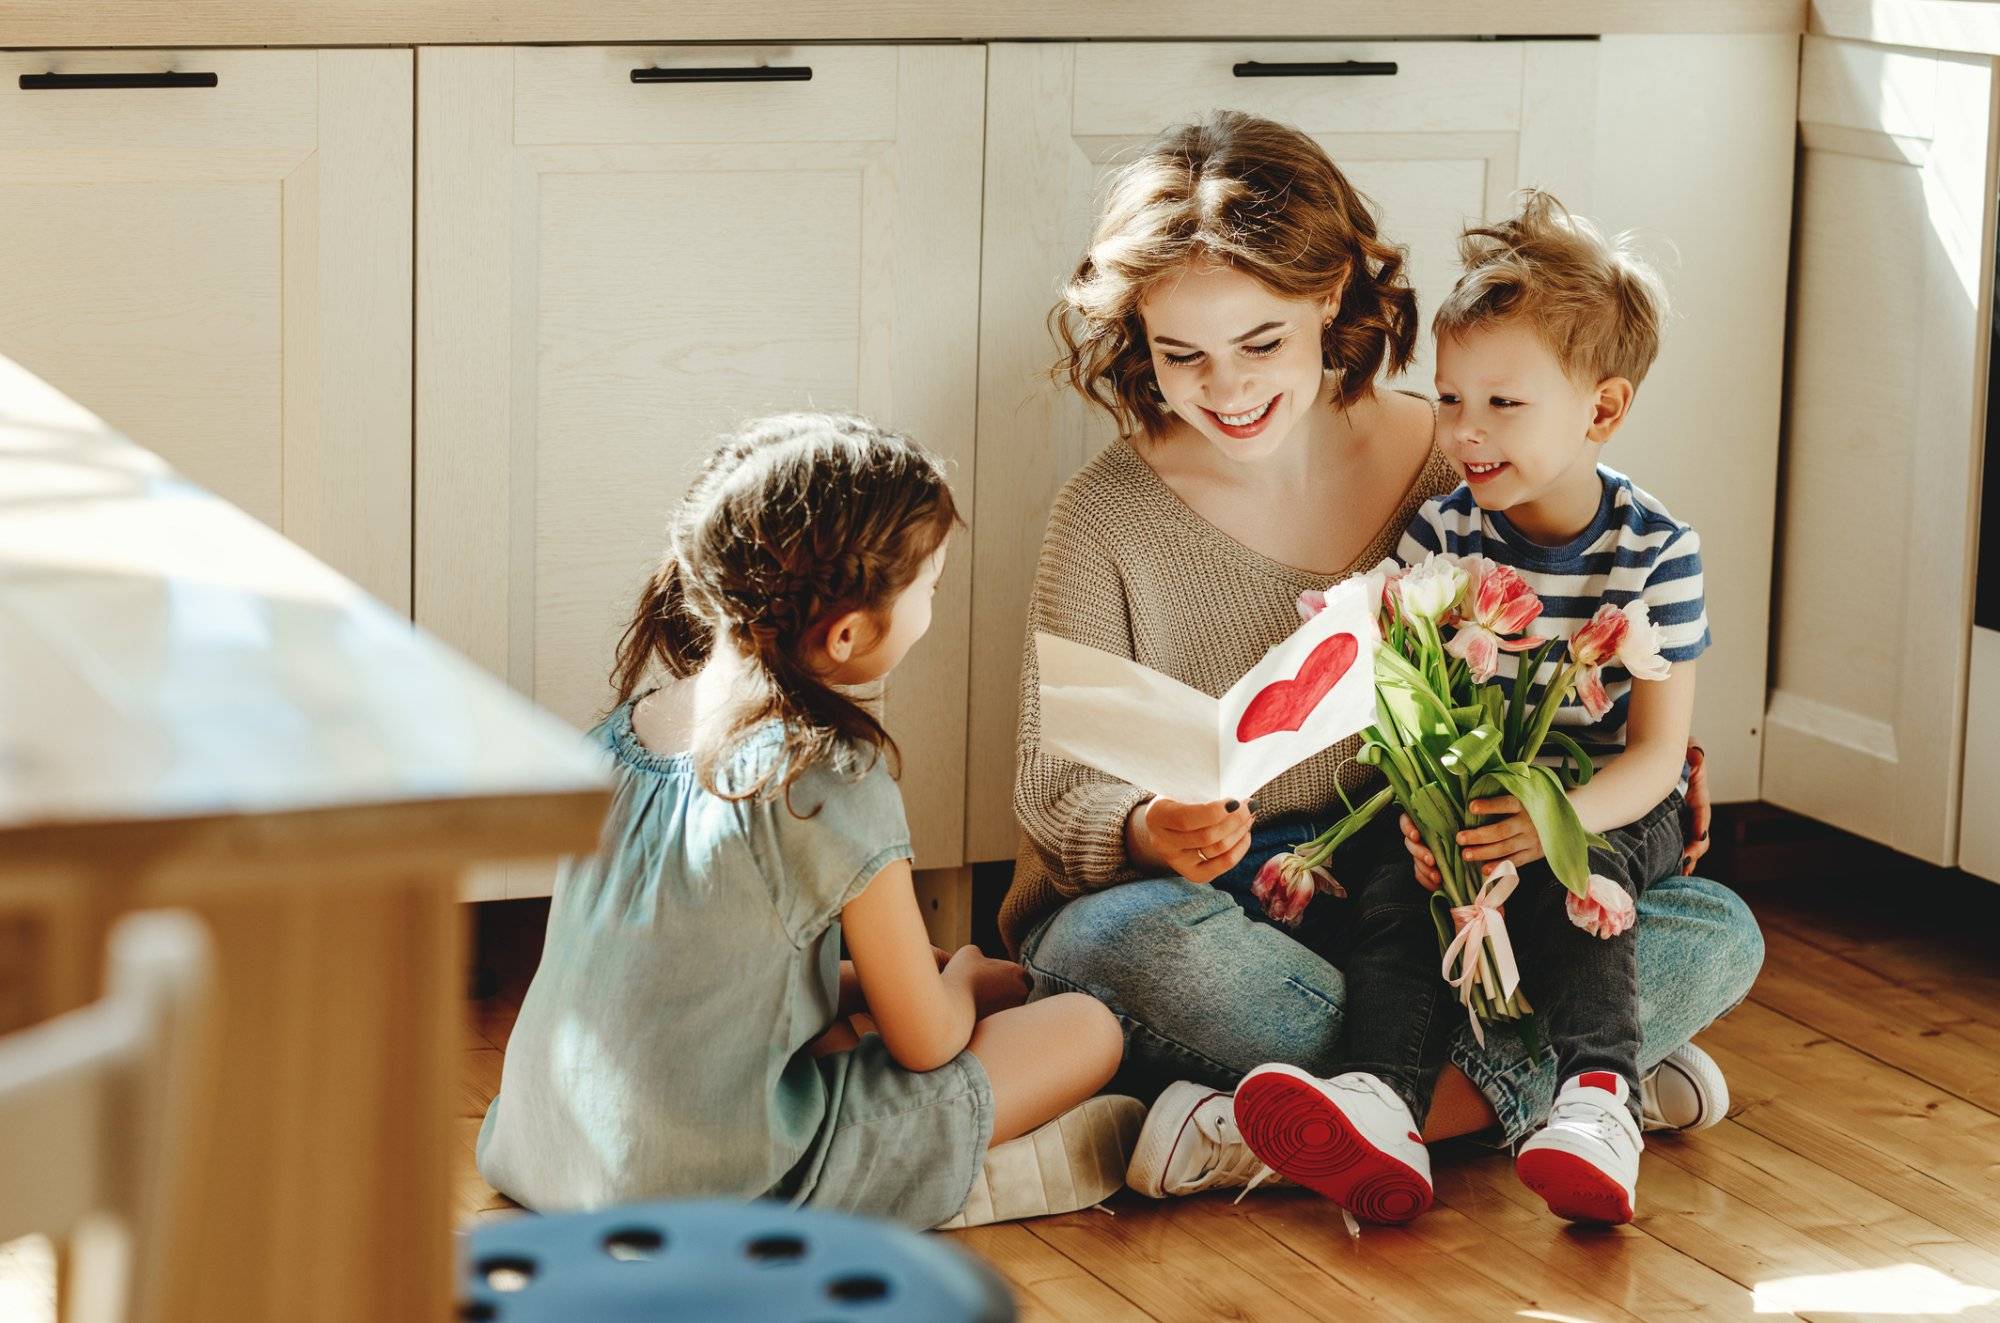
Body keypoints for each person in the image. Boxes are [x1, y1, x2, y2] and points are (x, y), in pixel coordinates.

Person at [1003, 110, 1761, 1203]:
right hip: (1239, 907)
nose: (1226, 389)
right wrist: (1145, 828)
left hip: (1429, 889)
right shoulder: (1105, 515)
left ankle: (1291, 1125)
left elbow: (1582, 647)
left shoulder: (1459, 460)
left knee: (1719, 933)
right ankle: (1569, 1087)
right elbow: (1052, 789)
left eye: (1260, 343)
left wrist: (1610, 784)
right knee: (1134, 947)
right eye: (1182, 356)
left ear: (1331, 300)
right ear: (1139, 342)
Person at [477, 412, 1136, 1230]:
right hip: (714, 1189)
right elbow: (928, 1043)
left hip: (550, 1153)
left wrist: (871, 979)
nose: (932, 605)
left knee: (855, 1018)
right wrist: (963, 973)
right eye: (928, 588)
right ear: (851, 630)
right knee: (1088, 1028)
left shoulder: (617, 738)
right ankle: (955, 1181)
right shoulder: (822, 777)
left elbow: (686, 977)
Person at [1233, 192, 1712, 1226]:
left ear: (1601, 409)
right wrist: (1433, 818)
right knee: (1396, 895)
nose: (1462, 431)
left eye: (1502, 405)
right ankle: (1381, 1102)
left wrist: (1547, 828)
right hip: (1468, 791)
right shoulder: (1441, 533)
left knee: (1585, 891)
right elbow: (1394, 706)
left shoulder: (1656, 553)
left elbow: (1655, 757)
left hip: (1600, 797)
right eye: (1449, 399)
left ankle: (1597, 1100)